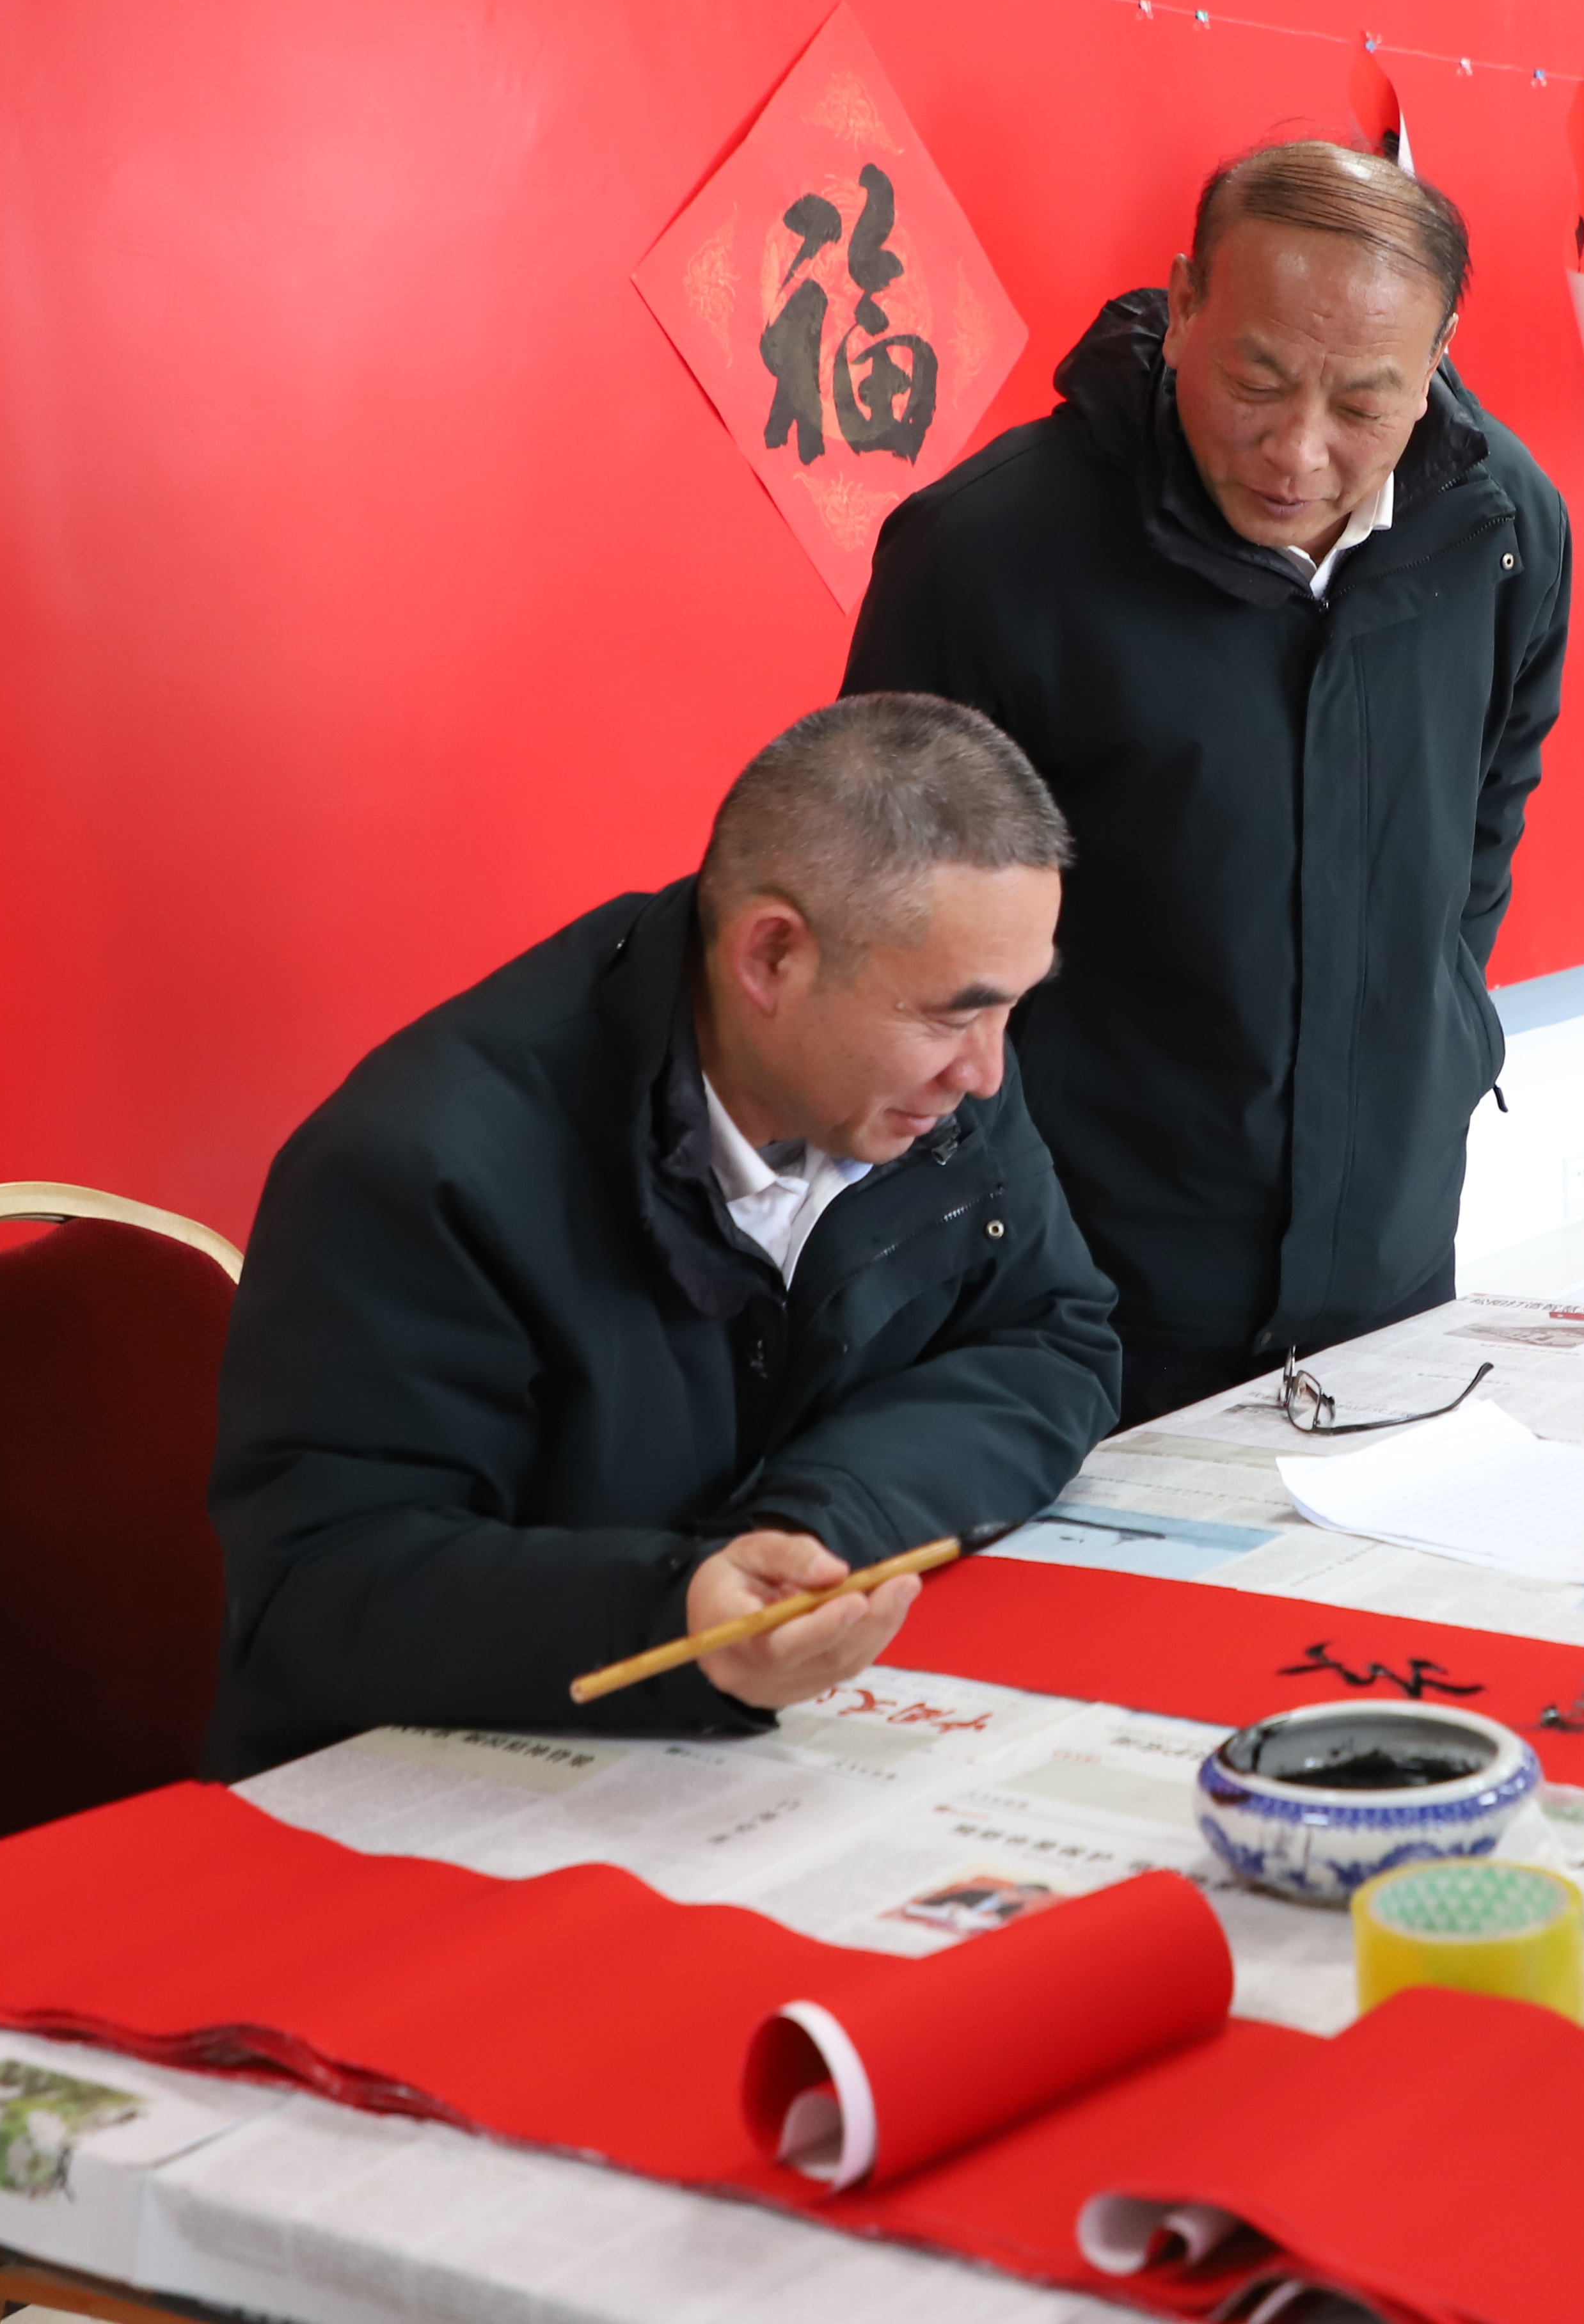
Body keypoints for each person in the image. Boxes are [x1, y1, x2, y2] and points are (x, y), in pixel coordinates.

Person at [203, 695, 1121, 1776]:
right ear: (771, 957)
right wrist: (679, 1615)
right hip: (426, 1791)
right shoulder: (423, 1165)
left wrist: (816, 1526)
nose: (988, 1073)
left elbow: (1052, 1337)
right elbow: (321, 1589)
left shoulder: (925, 1090)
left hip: (736, 1755)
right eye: (952, 1015)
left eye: (1012, 1008)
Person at [844, 139, 1569, 1425]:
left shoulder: (1500, 525)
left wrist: (1434, 1037)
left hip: (1393, 1259)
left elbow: (1488, 810)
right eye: (1255, 381)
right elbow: (894, 934)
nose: (1297, 452)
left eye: (1363, 406)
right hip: (1083, 1285)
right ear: (1183, 304)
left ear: (1438, 360)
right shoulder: (991, 554)